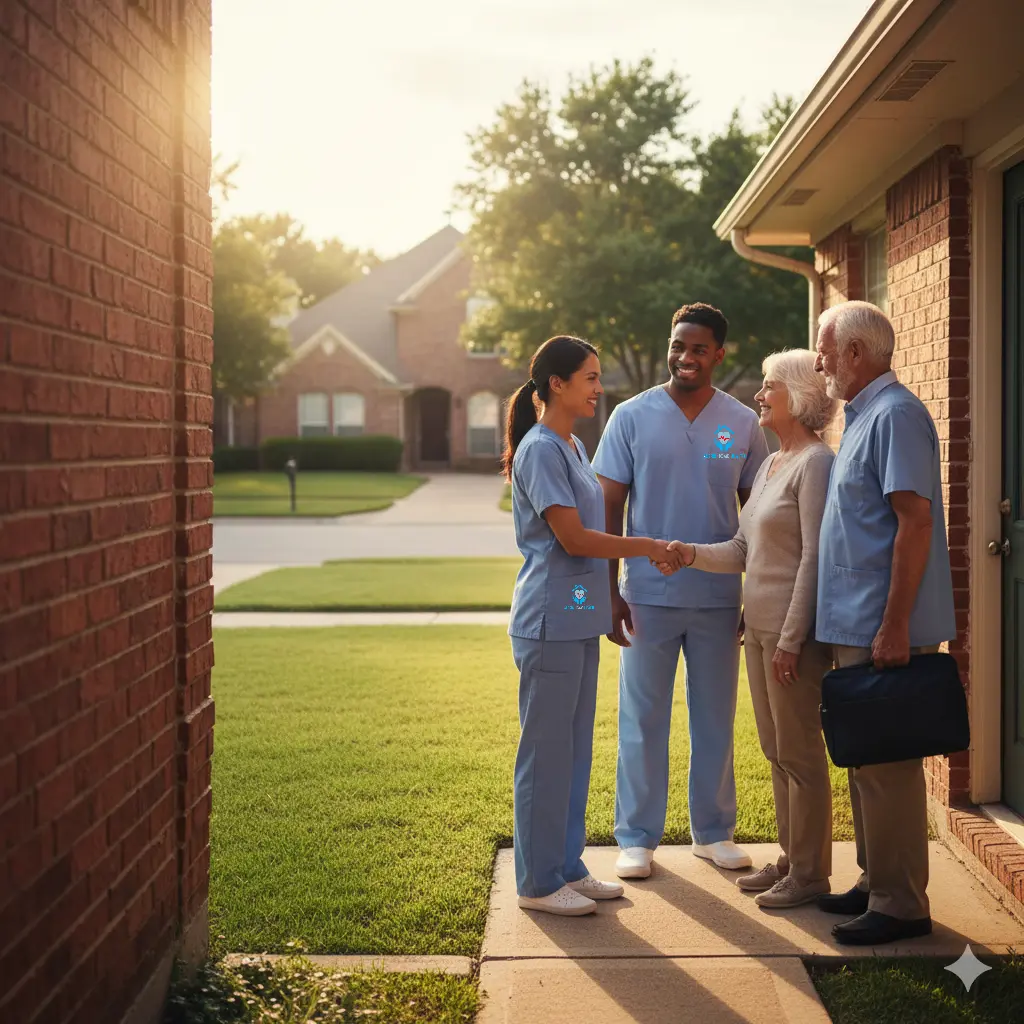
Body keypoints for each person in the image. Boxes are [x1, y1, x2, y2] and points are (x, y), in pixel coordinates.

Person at [506, 335, 685, 917]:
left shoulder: (574, 447)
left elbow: (584, 553)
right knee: (545, 754)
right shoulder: (539, 450)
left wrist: (604, 605)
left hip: (577, 615)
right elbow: (575, 539)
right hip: (546, 620)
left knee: (576, 751)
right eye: (588, 376)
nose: (597, 386)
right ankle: (536, 884)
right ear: (555, 384)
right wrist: (648, 546)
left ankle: (567, 867)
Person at [593, 303, 770, 880]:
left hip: (719, 597)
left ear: (719, 352)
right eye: (677, 346)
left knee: (715, 715)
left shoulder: (742, 423)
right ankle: (637, 838)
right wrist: (609, 590)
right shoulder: (631, 416)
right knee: (642, 717)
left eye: (698, 348)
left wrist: (756, 593)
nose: (684, 357)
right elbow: (608, 505)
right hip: (645, 593)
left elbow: (760, 515)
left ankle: (713, 833)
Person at [657, 349, 838, 909]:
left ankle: (810, 875)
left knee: (801, 754)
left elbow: (813, 557)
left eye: (769, 387)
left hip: (791, 637)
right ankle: (790, 860)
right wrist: (689, 553)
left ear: (800, 397)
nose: (760, 396)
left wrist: (789, 638)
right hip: (756, 629)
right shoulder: (769, 464)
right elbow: (743, 549)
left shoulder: (815, 464)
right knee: (774, 750)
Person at [812, 300, 956, 946]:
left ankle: (902, 904)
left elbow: (914, 522)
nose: (818, 363)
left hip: (881, 629)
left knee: (888, 767)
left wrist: (896, 625)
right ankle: (876, 881)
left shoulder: (897, 416)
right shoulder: (862, 419)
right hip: (854, 628)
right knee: (864, 760)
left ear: (855, 355)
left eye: (824, 350)